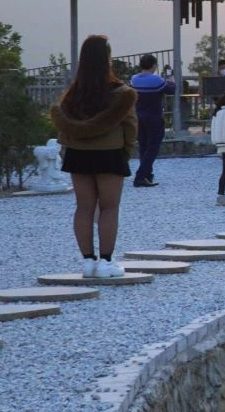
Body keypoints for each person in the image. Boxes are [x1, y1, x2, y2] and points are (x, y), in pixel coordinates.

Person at [48, 35, 138, 279]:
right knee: (109, 207)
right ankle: (106, 262)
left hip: (78, 154)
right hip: (110, 153)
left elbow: (64, 128)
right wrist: (126, 150)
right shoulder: (121, 93)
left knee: (84, 208)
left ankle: (88, 261)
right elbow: (130, 126)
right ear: (107, 58)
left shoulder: (72, 95)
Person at [128, 55, 172, 187]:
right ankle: (140, 176)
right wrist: (170, 78)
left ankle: (147, 175)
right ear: (154, 65)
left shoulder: (134, 79)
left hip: (138, 116)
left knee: (143, 146)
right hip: (154, 117)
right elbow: (171, 89)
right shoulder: (156, 80)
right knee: (153, 147)